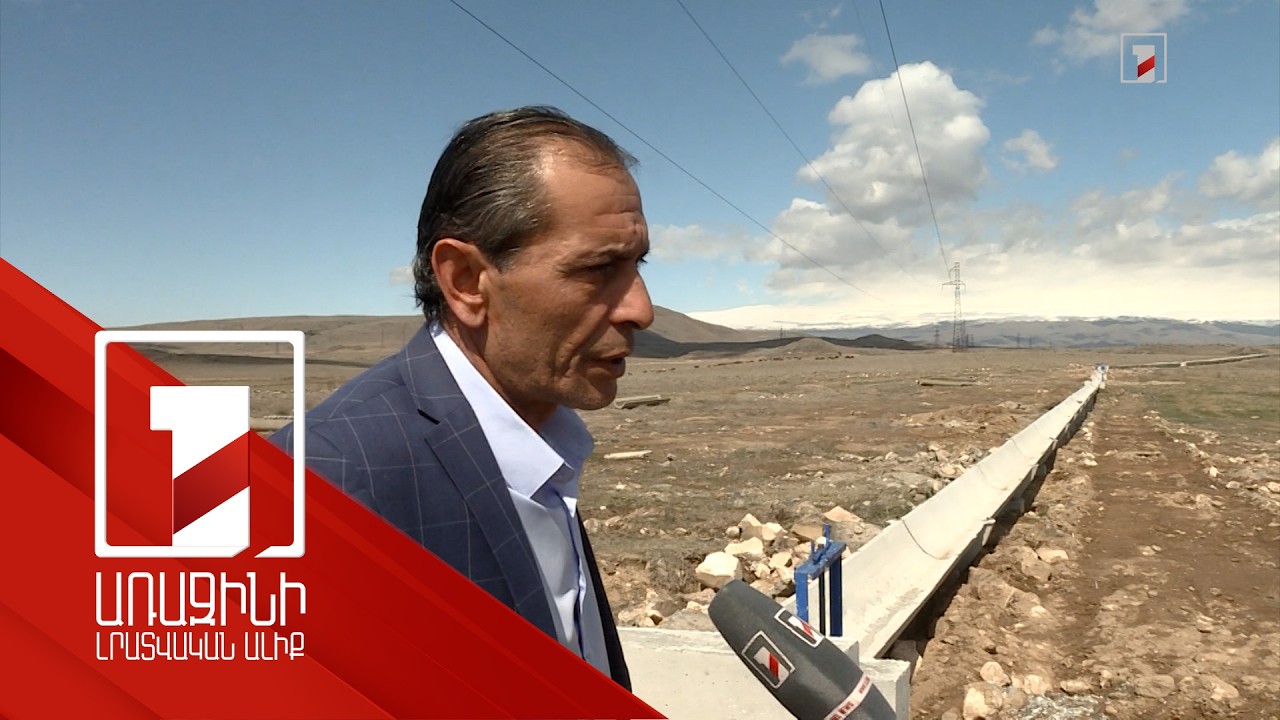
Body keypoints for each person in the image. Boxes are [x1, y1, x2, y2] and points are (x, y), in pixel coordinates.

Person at [272, 106, 652, 689]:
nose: (641, 310)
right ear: (466, 281)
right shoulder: (320, 487)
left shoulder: (544, 443)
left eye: (636, 264)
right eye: (599, 268)